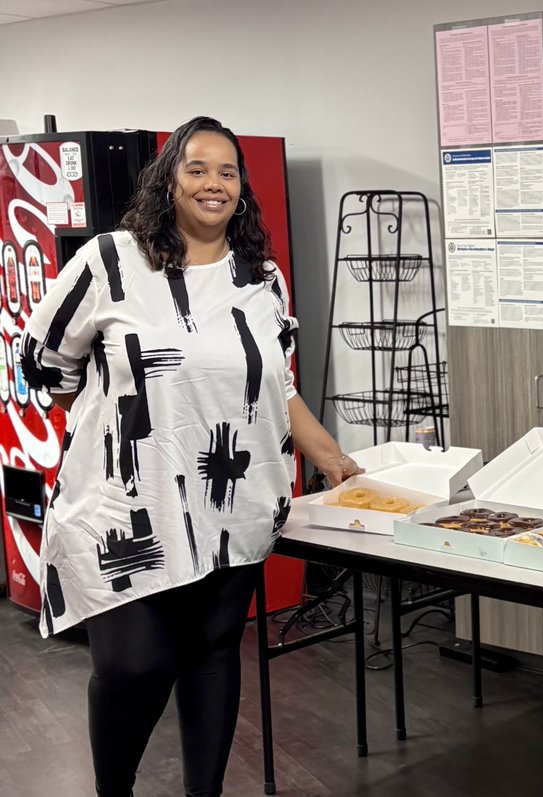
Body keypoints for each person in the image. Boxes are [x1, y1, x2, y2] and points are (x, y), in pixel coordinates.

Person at [19, 116, 362, 797]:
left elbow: (276, 386)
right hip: (124, 511)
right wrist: (114, 425)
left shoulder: (261, 280)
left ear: (242, 188)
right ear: (168, 180)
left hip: (233, 503)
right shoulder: (111, 262)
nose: (214, 183)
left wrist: (329, 454)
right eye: (198, 168)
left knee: (210, 653)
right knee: (135, 664)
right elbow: (44, 361)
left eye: (228, 171)